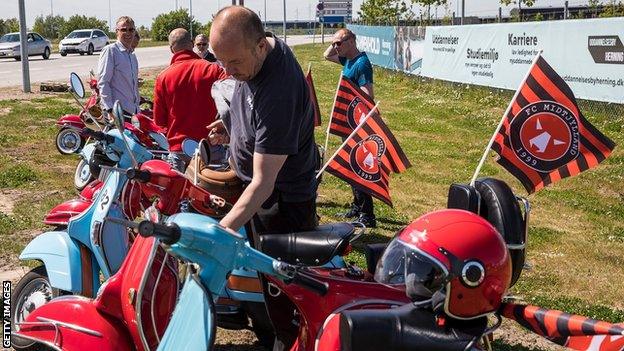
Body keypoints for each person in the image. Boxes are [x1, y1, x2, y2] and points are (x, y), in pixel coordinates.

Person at [208, 7, 318, 349]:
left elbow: (263, 182)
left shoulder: (280, 89)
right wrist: (233, 129)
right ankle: (272, 329)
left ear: (260, 46)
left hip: (281, 201)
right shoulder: (254, 56)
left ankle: (289, 338)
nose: (227, 71)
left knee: (280, 281)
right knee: (262, 273)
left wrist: (219, 231)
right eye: (221, 61)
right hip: (264, 192)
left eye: (234, 63)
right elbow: (250, 106)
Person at [323, 28, 377, 228]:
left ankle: (367, 214)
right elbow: (326, 55)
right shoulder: (347, 60)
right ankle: (357, 205)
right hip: (347, 124)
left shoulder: (361, 63)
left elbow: (367, 94)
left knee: (357, 168)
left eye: (340, 43)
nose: (335, 47)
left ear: (352, 41)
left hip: (356, 125)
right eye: (335, 43)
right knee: (349, 166)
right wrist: (336, 40)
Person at [153, 28, 226, 171]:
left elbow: (159, 121)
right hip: (210, 145)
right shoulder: (214, 70)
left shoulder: (163, 77)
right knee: (213, 192)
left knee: (178, 193)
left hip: (178, 149)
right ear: (192, 44)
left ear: (171, 49)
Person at [97, 16, 140, 115]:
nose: (128, 33)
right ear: (117, 31)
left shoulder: (132, 55)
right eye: (124, 30)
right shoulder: (111, 51)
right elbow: (103, 82)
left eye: (131, 30)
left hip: (133, 111)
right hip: (118, 112)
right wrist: (110, 109)